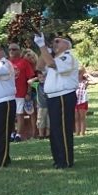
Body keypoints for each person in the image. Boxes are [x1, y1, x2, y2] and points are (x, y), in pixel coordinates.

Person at [35, 32, 79, 169]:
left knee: (63, 129)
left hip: (64, 96)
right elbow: (39, 67)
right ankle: (58, 159)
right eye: (53, 41)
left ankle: (65, 159)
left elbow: (52, 64)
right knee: (54, 130)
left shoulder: (68, 56)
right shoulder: (53, 57)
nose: (55, 44)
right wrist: (44, 50)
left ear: (67, 44)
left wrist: (42, 46)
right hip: (53, 97)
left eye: (58, 41)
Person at [8, 42, 35, 141]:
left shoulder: (24, 62)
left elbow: (30, 79)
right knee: (10, 114)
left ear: (19, 51)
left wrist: (28, 92)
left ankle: (18, 134)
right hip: (9, 93)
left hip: (20, 92)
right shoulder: (6, 63)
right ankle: (11, 133)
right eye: (10, 49)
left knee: (19, 113)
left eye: (14, 49)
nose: (11, 51)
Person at [74, 66, 97, 136]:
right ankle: (77, 132)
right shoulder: (73, 82)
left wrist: (88, 75)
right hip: (75, 101)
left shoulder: (85, 82)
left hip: (82, 102)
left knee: (82, 118)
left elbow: (96, 82)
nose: (78, 75)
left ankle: (82, 133)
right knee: (76, 118)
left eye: (79, 74)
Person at [27, 70, 49, 139]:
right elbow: (29, 82)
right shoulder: (37, 85)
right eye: (40, 77)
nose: (42, 79)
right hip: (41, 106)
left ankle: (48, 134)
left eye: (43, 77)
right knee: (40, 121)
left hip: (49, 106)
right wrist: (36, 78)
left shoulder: (49, 84)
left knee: (49, 121)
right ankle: (41, 134)